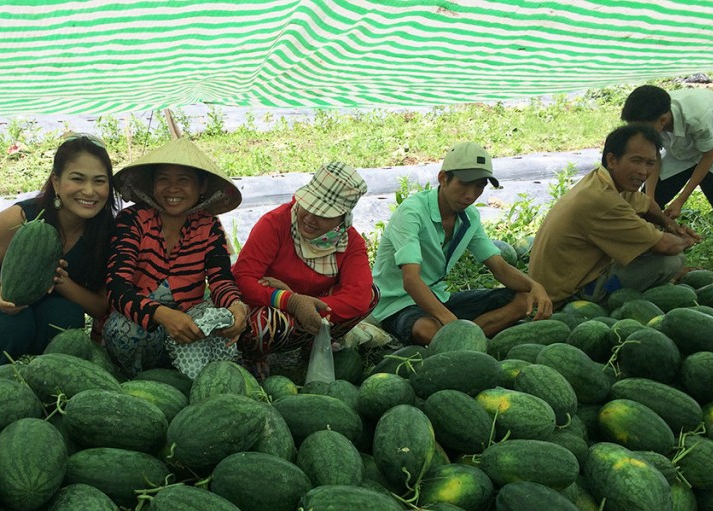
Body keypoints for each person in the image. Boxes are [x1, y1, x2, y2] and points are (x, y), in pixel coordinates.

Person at [371, 141, 552, 345]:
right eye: (464, 184)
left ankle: (468, 340)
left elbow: (499, 267)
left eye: (479, 187)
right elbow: (411, 280)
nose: (471, 195)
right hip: (397, 304)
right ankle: (466, 337)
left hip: (439, 298)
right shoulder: (412, 213)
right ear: (443, 178)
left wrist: (534, 286)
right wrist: (451, 322)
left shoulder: (469, 218)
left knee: (522, 300)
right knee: (427, 330)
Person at [0, 133, 116, 365]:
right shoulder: (20, 219)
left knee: (67, 317)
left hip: (47, 308)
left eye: (99, 181)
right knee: (13, 323)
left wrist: (61, 280)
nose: (90, 191)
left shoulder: (107, 232)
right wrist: (0, 295)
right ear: (56, 182)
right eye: (78, 179)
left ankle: (48, 377)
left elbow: (100, 306)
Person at [104, 137, 248, 376]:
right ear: (152, 184)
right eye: (163, 179)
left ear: (202, 187)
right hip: (143, 322)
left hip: (189, 322)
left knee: (227, 320)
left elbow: (221, 279)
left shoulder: (208, 226)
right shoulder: (132, 221)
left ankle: (186, 373)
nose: (173, 189)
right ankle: (136, 377)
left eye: (184, 180)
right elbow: (116, 288)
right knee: (122, 331)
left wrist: (236, 306)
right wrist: (163, 315)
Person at [529, 124, 700, 306]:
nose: (643, 171)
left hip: (559, 280)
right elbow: (666, 246)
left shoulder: (605, 180)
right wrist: (685, 240)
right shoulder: (602, 200)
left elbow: (647, 204)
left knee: (651, 248)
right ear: (612, 160)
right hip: (566, 295)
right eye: (636, 161)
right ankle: (598, 298)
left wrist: (668, 224)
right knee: (671, 262)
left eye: (650, 163)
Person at [232, 161, 377, 367]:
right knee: (265, 322)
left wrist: (305, 304)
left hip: (309, 309)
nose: (309, 218)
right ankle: (254, 357)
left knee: (372, 294)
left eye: (322, 214)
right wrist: (290, 301)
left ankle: (313, 343)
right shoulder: (275, 223)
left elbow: (359, 297)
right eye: (307, 206)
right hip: (271, 305)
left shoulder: (350, 242)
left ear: (342, 217)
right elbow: (242, 279)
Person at [621, 84, 713, 234]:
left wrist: (680, 201)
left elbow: (709, 155)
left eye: (643, 130)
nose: (640, 134)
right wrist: (650, 198)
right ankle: (651, 242)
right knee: (646, 205)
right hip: (681, 151)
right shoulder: (650, 118)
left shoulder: (697, 117)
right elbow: (654, 156)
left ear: (662, 121)